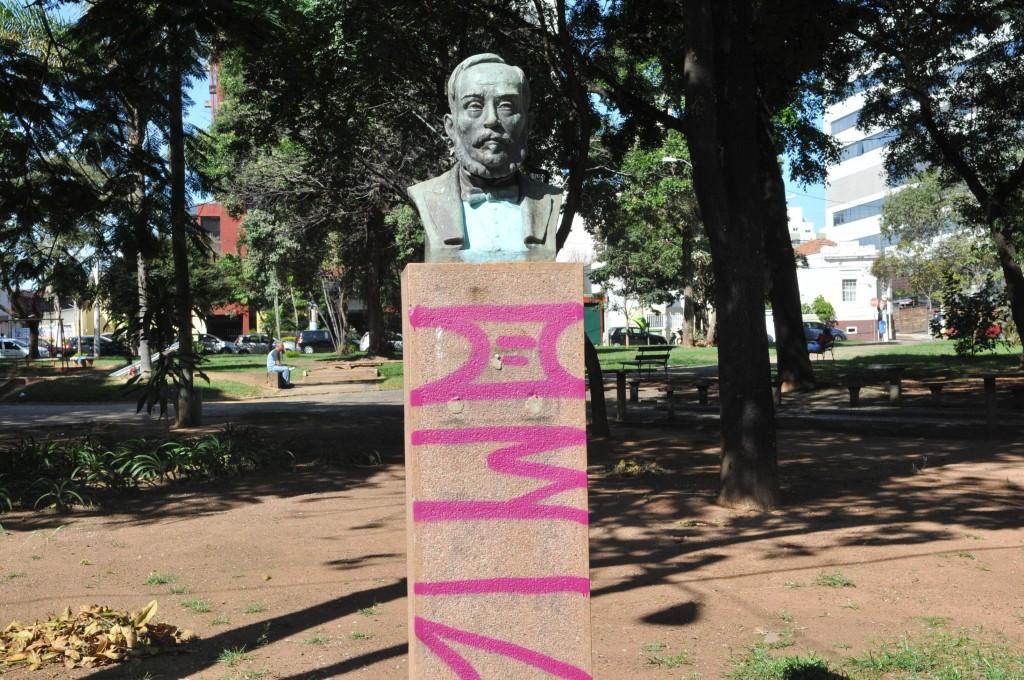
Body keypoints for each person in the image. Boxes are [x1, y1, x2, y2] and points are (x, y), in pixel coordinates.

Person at [408, 53, 562, 263]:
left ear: (527, 125)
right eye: (474, 106)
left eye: (507, 106)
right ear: (451, 127)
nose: (491, 120)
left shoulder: (549, 200)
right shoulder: (427, 197)